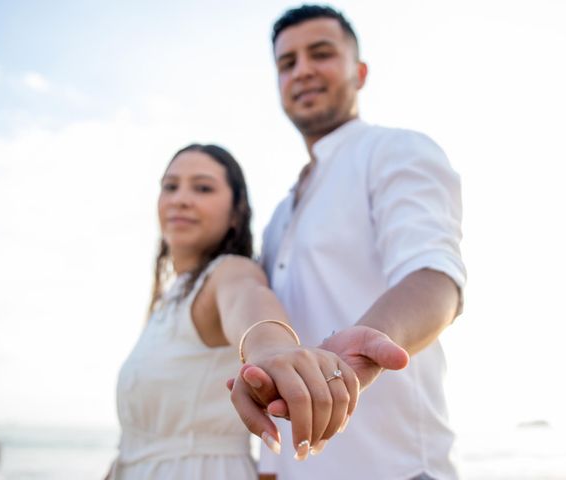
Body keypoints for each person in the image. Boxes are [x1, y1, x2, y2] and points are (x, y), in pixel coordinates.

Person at [230, 5, 466, 480]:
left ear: (359, 72)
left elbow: (436, 279)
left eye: (321, 54)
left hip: (396, 469)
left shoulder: (394, 150)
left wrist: (362, 349)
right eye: (287, 63)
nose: (304, 71)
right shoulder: (281, 215)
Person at [107, 143, 363, 479]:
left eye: (202, 188)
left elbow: (247, 298)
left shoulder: (229, 272)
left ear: (234, 214)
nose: (181, 198)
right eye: (170, 186)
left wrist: (273, 349)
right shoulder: (169, 301)